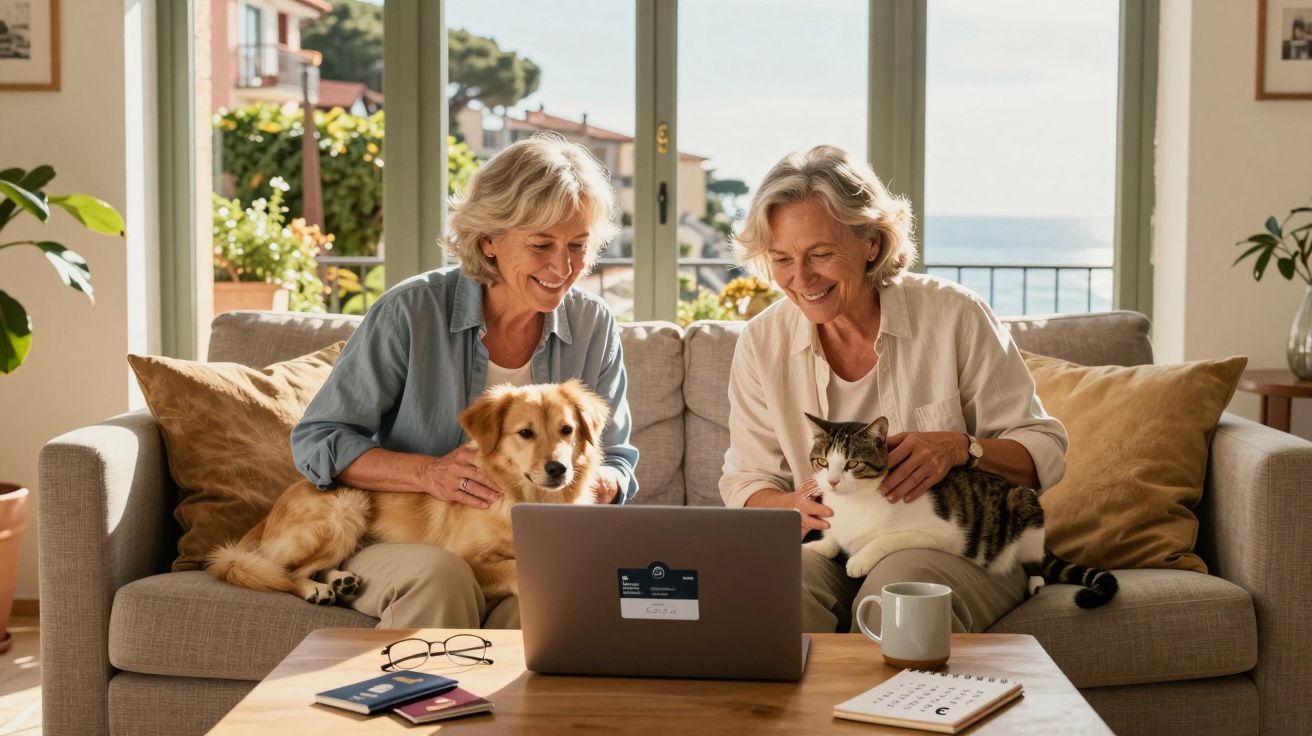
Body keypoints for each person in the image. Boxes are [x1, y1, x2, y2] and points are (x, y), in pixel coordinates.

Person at [291, 133, 639, 629]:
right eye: (541, 245)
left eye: (578, 246)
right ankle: (422, 704)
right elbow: (317, 440)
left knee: (549, 594)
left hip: (528, 543)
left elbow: (619, 456)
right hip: (394, 539)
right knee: (444, 573)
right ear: (487, 242)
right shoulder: (409, 312)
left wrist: (604, 483)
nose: (563, 268)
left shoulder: (593, 324)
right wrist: (426, 473)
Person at [720, 145, 1067, 634]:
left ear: (872, 244)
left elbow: (1044, 451)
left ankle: (897, 712)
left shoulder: (955, 316)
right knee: (771, 598)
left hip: (947, 543)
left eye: (821, 254)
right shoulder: (762, 341)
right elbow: (747, 482)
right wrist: (791, 507)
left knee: (901, 602)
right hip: (834, 541)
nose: (801, 279)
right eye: (782, 259)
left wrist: (960, 448)